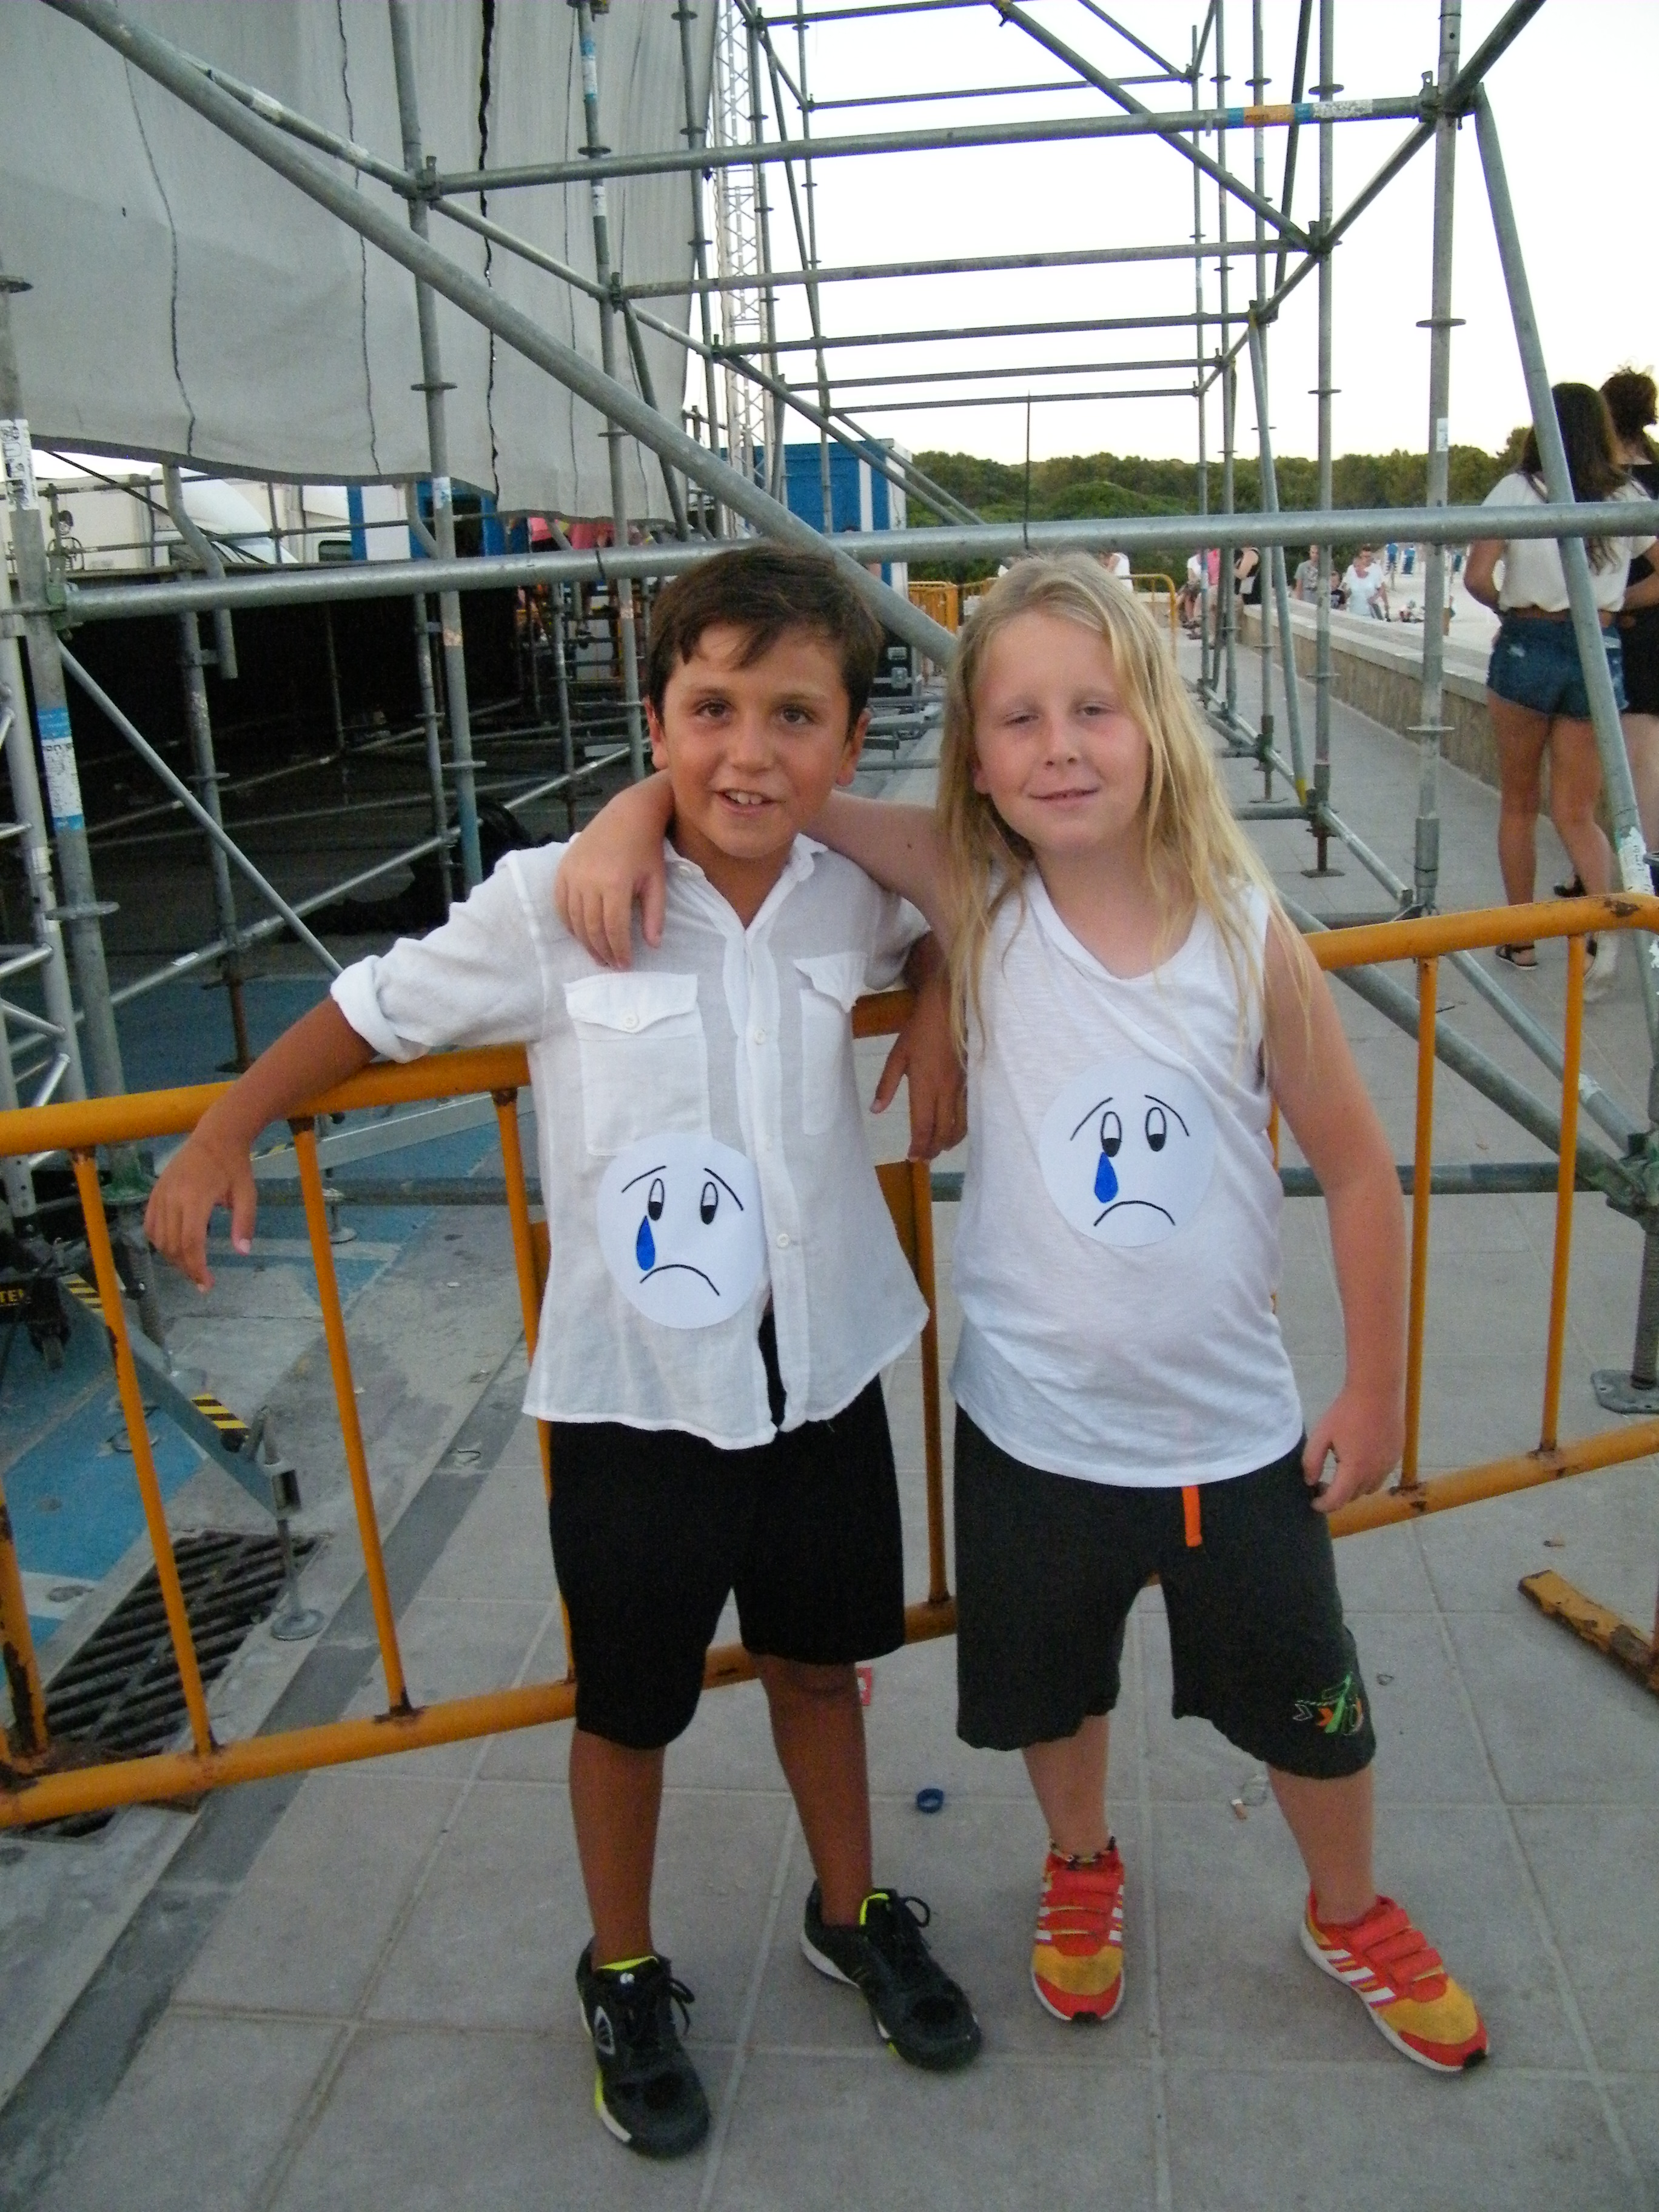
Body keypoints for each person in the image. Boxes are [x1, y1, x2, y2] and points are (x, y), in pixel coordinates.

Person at [555, 555, 1490, 2077]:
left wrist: (1373, 1388)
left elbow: (1354, 1166)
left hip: (1230, 1430)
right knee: (1059, 1690)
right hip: (1032, 1432)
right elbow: (766, 790)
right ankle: (1079, 1863)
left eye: (1093, 710)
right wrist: (622, 814)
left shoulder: (1244, 929)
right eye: (1018, 718)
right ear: (975, 760)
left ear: (1157, 724)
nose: (1059, 747)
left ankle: (1348, 1905)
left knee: (1309, 1700)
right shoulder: (973, 891)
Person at [145, 545, 982, 2160]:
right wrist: (224, 1130)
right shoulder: (559, 903)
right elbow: (374, 1010)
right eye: (711, 709)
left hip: (822, 1373)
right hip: (638, 1396)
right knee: (630, 1704)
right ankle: (623, 1967)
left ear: (848, 735)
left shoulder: (856, 889)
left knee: (823, 1666)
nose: (750, 752)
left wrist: (938, 1000)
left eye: (794, 715)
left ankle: (850, 1907)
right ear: (654, 720)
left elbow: (959, 897)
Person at [1464, 381, 1657, 990]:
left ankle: (1521, 941)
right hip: (1596, 647)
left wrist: (1512, 607)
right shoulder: (1625, 495)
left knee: (1520, 803)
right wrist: (1616, 602)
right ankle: (1607, 932)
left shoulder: (1518, 490)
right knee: (1577, 811)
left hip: (1530, 643)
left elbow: (1477, 577)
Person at [1602, 368, 1659, 873]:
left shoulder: (1612, 486)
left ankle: (1642, 879)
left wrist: (1616, 603)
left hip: (1634, 635)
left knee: (1635, 764)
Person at [1342, 546, 1390, 620]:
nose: (1368, 559)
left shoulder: (1376, 569)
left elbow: (1382, 587)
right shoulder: (1351, 569)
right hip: (1354, 607)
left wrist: (1386, 603)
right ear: (1361, 556)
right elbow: (1345, 584)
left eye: (1369, 557)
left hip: (1370, 608)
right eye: (1365, 557)